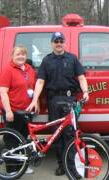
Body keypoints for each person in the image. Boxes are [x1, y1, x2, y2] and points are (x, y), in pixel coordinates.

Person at [26, 32, 89, 176]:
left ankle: (72, 168)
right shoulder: (46, 61)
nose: (59, 43)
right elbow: (40, 81)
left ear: (64, 43)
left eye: (61, 41)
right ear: (52, 43)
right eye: (56, 41)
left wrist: (85, 91)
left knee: (71, 135)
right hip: (53, 101)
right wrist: (35, 100)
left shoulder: (72, 58)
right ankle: (61, 165)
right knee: (57, 135)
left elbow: (81, 77)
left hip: (70, 100)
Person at [0, 45, 36, 174]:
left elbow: (33, 87)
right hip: (13, 111)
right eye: (18, 54)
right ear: (12, 56)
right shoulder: (8, 69)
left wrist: (35, 102)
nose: (21, 57)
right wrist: (8, 111)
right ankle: (11, 170)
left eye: (23, 54)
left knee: (23, 140)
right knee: (11, 140)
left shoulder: (29, 69)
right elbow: (3, 92)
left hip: (26, 111)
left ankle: (21, 166)